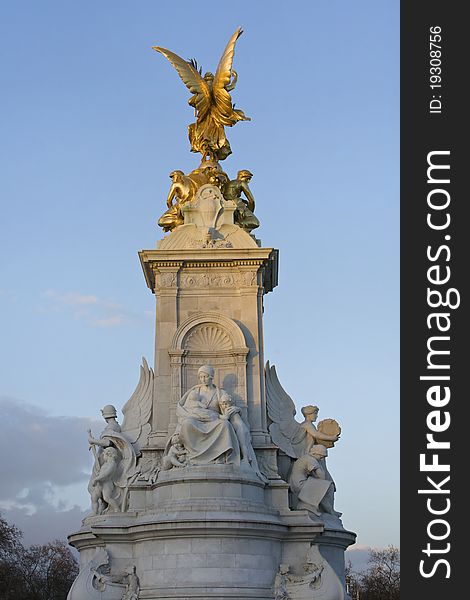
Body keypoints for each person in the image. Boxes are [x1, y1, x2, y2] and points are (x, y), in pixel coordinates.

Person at [176, 365, 240, 465]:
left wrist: (236, 409)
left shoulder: (220, 392)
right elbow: (187, 408)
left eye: (205, 376)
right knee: (187, 423)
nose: (203, 379)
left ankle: (218, 455)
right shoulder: (195, 392)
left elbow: (226, 408)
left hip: (214, 420)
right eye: (201, 377)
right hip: (197, 419)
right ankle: (194, 454)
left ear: (211, 377)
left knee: (225, 425)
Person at [218, 393, 267, 482]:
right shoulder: (231, 408)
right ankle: (246, 458)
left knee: (243, 445)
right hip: (238, 427)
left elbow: (226, 418)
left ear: (230, 403)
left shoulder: (230, 409)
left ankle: (245, 458)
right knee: (243, 444)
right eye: (222, 403)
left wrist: (218, 416)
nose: (224, 405)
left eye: (226, 403)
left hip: (240, 428)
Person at [289, 445, 341, 518]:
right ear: (314, 454)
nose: (322, 459)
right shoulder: (310, 459)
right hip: (300, 484)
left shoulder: (307, 458)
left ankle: (328, 509)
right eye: (321, 456)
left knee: (325, 486)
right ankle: (329, 510)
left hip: (298, 483)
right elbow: (322, 476)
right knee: (327, 486)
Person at [89, 447, 121, 515]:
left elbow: (106, 474)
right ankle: (94, 512)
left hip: (107, 484)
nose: (103, 457)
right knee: (94, 497)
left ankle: (116, 508)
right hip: (99, 484)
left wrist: (97, 479)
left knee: (107, 498)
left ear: (108, 454)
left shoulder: (112, 464)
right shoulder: (105, 464)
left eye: (104, 455)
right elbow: (102, 473)